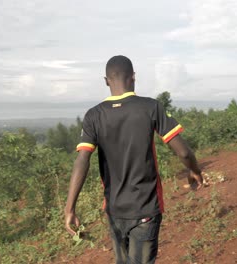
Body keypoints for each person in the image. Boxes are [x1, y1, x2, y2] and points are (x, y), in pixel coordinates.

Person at [64, 55, 204, 264]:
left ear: (106, 81)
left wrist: (70, 209)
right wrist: (195, 171)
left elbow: (82, 160)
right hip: (145, 207)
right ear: (134, 78)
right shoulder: (150, 107)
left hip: (114, 209)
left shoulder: (94, 115)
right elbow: (183, 152)